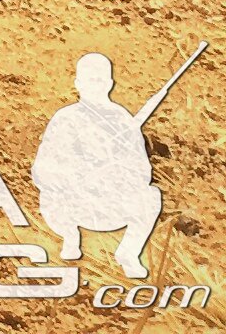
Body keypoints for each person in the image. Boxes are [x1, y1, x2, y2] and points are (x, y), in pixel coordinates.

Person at [32, 52, 168, 278]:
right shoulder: (65, 118)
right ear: (77, 83)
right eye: (88, 79)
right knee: (50, 194)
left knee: (150, 196)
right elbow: (42, 169)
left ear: (109, 84)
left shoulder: (123, 120)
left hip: (109, 203)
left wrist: (116, 172)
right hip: (72, 202)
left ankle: (128, 253)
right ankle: (70, 237)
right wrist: (75, 175)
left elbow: (142, 171)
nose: (94, 85)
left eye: (99, 80)